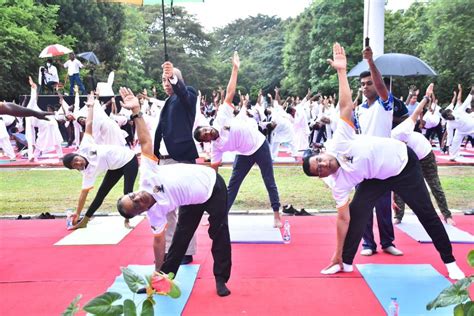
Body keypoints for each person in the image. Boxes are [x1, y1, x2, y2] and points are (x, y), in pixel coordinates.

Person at [302, 42, 465, 281]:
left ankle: (450, 261)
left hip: (402, 165)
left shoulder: (343, 137)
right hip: (375, 176)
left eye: (320, 161)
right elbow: (342, 219)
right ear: (322, 177)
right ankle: (344, 262)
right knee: (357, 212)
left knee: (426, 213)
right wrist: (336, 252)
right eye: (320, 171)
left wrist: (341, 71)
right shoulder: (338, 183)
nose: (323, 166)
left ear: (322, 152)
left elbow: (346, 104)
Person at [117, 87, 232, 297]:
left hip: (212, 185)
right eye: (135, 205)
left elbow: (145, 142)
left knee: (219, 232)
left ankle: (220, 278)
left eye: (132, 195)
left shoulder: (147, 176)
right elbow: (159, 245)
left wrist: (136, 112)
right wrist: (155, 277)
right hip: (192, 200)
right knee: (179, 240)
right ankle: (162, 283)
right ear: (139, 213)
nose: (137, 198)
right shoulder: (155, 215)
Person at [194, 52, 283, 228]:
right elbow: (214, 171)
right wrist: (210, 188)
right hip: (244, 154)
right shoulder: (216, 148)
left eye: (205, 129)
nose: (208, 132)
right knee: (232, 185)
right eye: (205, 135)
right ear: (207, 140)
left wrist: (235, 69)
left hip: (259, 144)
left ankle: (276, 214)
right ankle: (219, 216)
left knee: (269, 180)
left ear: (208, 126)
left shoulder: (220, 118)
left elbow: (229, 93)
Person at [62, 92, 138, 230]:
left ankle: (127, 220)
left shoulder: (85, 146)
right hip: (114, 166)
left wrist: (91, 107)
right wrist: (77, 214)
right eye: (75, 166)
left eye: (76, 160)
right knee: (101, 193)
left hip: (128, 159)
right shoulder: (87, 173)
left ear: (77, 154)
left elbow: (89, 124)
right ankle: (85, 220)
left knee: (127, 192)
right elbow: (83, 194)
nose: (78, 164)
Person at [355, 47, 402, 257]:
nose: (365, 87)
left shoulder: (386, 104)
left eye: (369, 83)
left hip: (383, 163)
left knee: (383, 205)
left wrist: (370, 62)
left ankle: (387, 242)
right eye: (362, 84)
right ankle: (368, 244)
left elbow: (381, 85)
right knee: (363, 205)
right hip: (364, 163)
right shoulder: (359, 109)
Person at [153, 60, 198, 264]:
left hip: (181, 160)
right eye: (163, 80)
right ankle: (172, 249)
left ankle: (187, 251)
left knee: (185, 208)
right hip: (162, 161)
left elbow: (183, 92)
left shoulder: (187, 95)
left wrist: (174, 78)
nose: (166, 83)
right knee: (166, 207)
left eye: (169, 79)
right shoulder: (167, 102)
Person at [391, 83, 454, 225]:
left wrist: (426, 96)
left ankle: (447, 215)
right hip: (407, 160)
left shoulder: (399, 131)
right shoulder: (385, 141)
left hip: (424, 155)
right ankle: (398, 216)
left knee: (434, 185)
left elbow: (417, 111)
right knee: (398, 185)